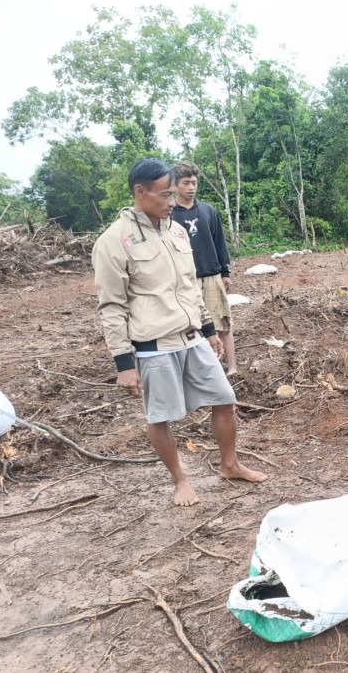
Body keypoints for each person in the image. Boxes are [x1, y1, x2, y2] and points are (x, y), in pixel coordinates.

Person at [92, 159, 267, 506]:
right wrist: (124, 364)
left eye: (174, 193)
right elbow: (112, 307)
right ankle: (181, 480)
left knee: (224, 399)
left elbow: (189, 287)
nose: (173, 201)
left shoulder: (176, 231)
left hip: (191, 338)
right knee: (160, 416)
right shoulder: (115, 242)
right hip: (152, 346)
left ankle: (230, 464)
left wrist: (208, 330)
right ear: (140, 192)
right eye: (165, 194)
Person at [171, 162, 238, 375]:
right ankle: (203, 370)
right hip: (184, 280)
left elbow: (220, 242)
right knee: (192, 326)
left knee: (222, 322)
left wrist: (225, 272)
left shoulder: (208, 210)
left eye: (194, 183)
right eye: (186, 183)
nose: (191, 187)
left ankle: (233, 366)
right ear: (175, 185)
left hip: (211, 275)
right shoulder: (170, 214)